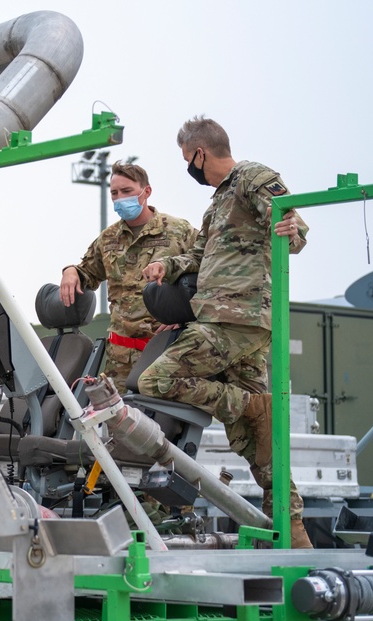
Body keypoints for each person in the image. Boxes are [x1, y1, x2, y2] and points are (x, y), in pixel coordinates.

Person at [137, 116, 313, 548]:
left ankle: (248, 405)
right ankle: (294, 534)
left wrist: (292, 229)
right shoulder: (217, 202)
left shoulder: (253, 177)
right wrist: (169, 266)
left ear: (201, 153)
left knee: (156, 380)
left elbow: (292, 226)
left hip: (237, 317)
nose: (189, 168)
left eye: (187, 160)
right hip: (223, 318)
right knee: (261, 446)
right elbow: (199, 252)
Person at [60, 161, 197, 394]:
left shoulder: (178, 231)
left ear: (146, 192)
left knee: (161, 425)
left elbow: (204, 270)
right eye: (114, 193)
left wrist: (190, 314)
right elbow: (87, 272)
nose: (120, 198)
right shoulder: (108, 238)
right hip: (120, 359)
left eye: (127, 191)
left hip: (164, 351)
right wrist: (70, 271)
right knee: (120, 424)